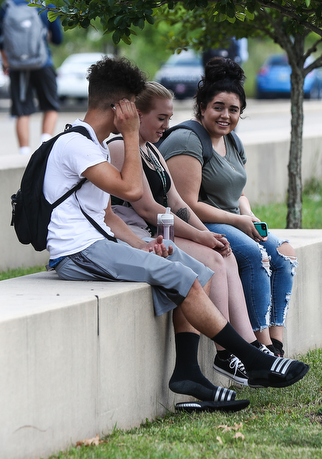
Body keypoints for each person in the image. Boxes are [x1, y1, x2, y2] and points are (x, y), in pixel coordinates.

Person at [45, 56, 309, 410]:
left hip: (99, 242)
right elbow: (133, 192)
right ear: (120, 106)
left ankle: (187, 372)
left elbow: (105, 214)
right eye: (132, 108)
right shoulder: (78, 145)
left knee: (198, 272)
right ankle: (254, 359)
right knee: (180, 276)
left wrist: (143, 245)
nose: (138, 117)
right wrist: (130, 133)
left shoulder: (93, 145)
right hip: (78, 253)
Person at [107, 81, 273, 387]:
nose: (167, 125)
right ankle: (226, 354)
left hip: (158, 230)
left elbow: (177, 202)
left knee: (223, 254)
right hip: (135, 235)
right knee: (211, 258)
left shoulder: (153, 150)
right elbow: (147, 209)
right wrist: (200, 237)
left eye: (170, 118)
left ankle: (250, 346)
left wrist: (205, 233)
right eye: (161, 118)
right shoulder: (120, 147)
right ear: (137, 115)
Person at [160, 57, 298, 358]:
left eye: (233, 110)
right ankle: (258, 346)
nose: (226, 115)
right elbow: (186, 204)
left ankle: (277, 344)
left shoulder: (232, 141)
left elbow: (238, 191)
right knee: (254, 254)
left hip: (231, 219)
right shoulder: (188, 139)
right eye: (218, 107)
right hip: (199, 223)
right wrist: (237, 222)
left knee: (284, 253)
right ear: (203, 107)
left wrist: (247, 214)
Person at [0, 0, 63, 156]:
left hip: (17, 65)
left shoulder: (7, 7)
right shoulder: (46, 6)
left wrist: (7, 61)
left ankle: (24, 152)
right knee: (51, 107)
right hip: (42, 62)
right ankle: (44, 148)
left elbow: (1, 40)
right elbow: (58, 39)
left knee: (22, 111)